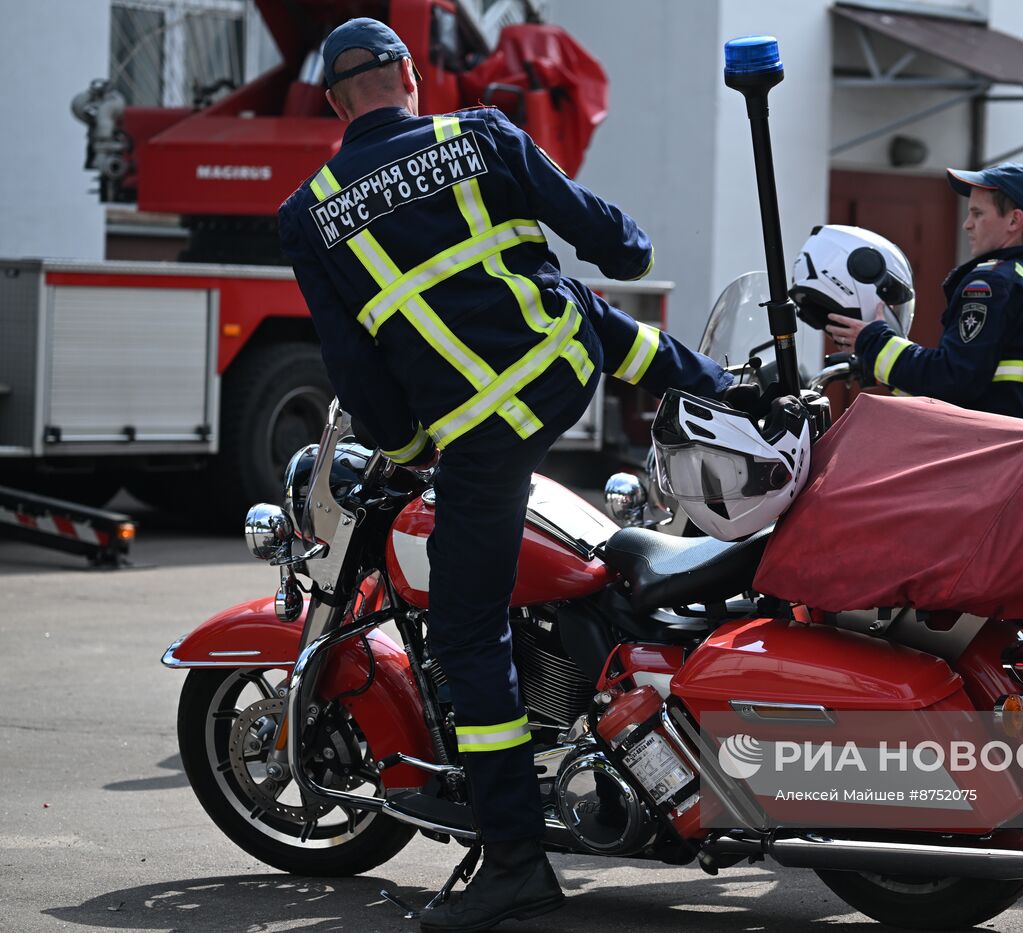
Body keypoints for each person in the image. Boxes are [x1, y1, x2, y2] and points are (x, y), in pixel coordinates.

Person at [277, 19, 734, 931]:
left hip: (481, 431)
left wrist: (403, 447)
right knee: (580, 304)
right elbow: (605, 234)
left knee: (463, 635)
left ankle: (516, 860)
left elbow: (355, 368)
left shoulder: (310, 213)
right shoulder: (477, 132)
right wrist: (633, 250)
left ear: (335, 105)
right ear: (409, 74)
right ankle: (737, 398)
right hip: (563, 369)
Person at [824, 162, 1023, 423]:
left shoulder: (990, 283)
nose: (967, 224)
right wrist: (883, 369)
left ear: (1014, 220)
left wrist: (874, 341)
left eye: (977, 214)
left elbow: (952, 380)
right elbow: (983, 387)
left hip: (990, 453)